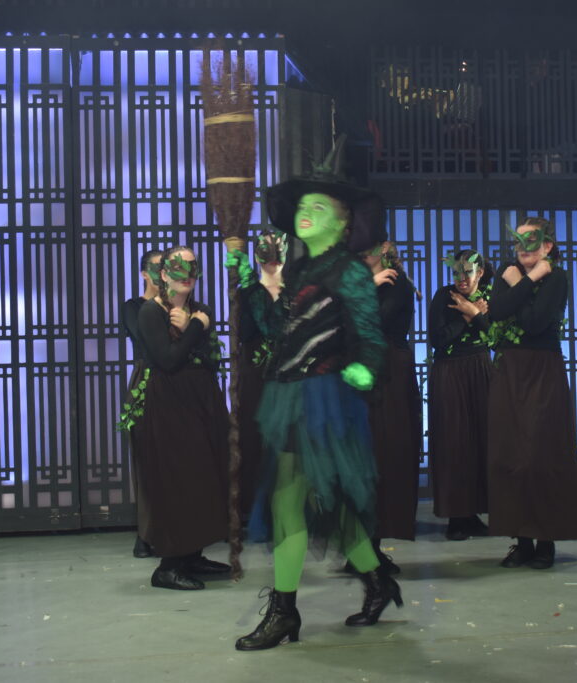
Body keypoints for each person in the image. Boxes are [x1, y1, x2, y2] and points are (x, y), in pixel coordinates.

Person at [228, 140, 401, 651]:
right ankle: (377, 583)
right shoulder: (300, 271)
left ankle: (285, 613)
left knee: (292, 502)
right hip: (289, 397)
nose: (307, 211)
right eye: (303, 205)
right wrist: (253, 284)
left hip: (325, 402)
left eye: (319, 207)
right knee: (332, 509)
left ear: (344, 223)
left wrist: (363, 373)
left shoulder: (350, 271)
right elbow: (277, 331)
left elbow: (370, 338)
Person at [486, 217, 577, 570]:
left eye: (531, 241)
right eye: (518, 242)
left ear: (547, 246)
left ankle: (546, 541)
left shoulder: (557, 277)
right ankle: (522, 541)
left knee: (541, 455)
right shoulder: (507, 271)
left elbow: (534, 322)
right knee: (510, 454)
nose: (522, 248)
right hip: (509, 371)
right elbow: (497, 311)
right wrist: (525, 280)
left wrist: (522, 283)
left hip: (543, 371)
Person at [133, 246, 232, 590]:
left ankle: (193, 555)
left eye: (192, 267)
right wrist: (194, 329)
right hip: (169, 406)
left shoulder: (201, 310)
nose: (186, 274)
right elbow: (169, 360)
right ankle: (169, 565)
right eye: (178, 267)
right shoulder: (150, 312)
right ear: (163, 274)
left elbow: (211, 359)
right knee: (178, 480)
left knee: (204, 476)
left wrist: (194, 325)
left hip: (201, 401)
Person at [357, 240, 422, 572]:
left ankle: (372, 546)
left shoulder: (397, 284)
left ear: (384, 248)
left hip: (389, 377)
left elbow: (373, 324)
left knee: (385, 455)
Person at [427, 250, 493, 541]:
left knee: (481, 439)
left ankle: (473, 512)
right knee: (453, 441)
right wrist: (466, 317)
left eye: (468, 272)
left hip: (480, 369)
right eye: (457, 272)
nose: (461, 278)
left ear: (480, 272)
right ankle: (456, 516)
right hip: (449, 372)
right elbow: (437, 340)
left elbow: (494, 336)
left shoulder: (490, 296)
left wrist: (476, 314)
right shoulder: (444, 296)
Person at [237, 231, 286, 515]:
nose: (272, 257)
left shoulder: (295, 293)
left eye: (277, 249)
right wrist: (256, 291)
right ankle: (255, 508)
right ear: (257, 255)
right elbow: (247, 332)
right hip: (255, 375)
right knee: (254, 439)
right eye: (266, 250)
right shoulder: (246, 292)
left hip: (288, 375)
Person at [121, 249, 162, 558]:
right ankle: (146, 534)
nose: (165, 273)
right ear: (144, 273)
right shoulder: (133, 307)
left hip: (179, 380)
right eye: (157, 268)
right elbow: (145, 339)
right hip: (146, 379)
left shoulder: (181, 304)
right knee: (147, 458)